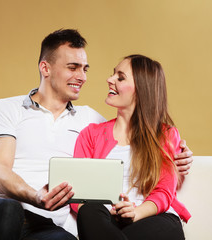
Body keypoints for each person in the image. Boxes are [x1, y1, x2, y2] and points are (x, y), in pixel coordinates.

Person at [0, 30, 193, 239]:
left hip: (45, 226)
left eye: (85, 69)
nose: (82, 76)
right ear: (46, 68)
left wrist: (178, 157)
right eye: (73, 68)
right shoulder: (6, 108)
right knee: (9, 211)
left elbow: (134, 141)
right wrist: (35, 197)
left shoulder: (90, 121)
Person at [72, 54, 191, 240]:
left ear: (141, 90)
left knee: (167, 229)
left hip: (152, 216)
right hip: (106, 220)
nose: (109, 80)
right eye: (113, 75)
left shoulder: (166, 135)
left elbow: (164, 192)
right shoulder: (91, 134)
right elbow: (78, 194)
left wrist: (134, 213)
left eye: (120, 77)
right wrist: (111, 212)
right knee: (89, 210)